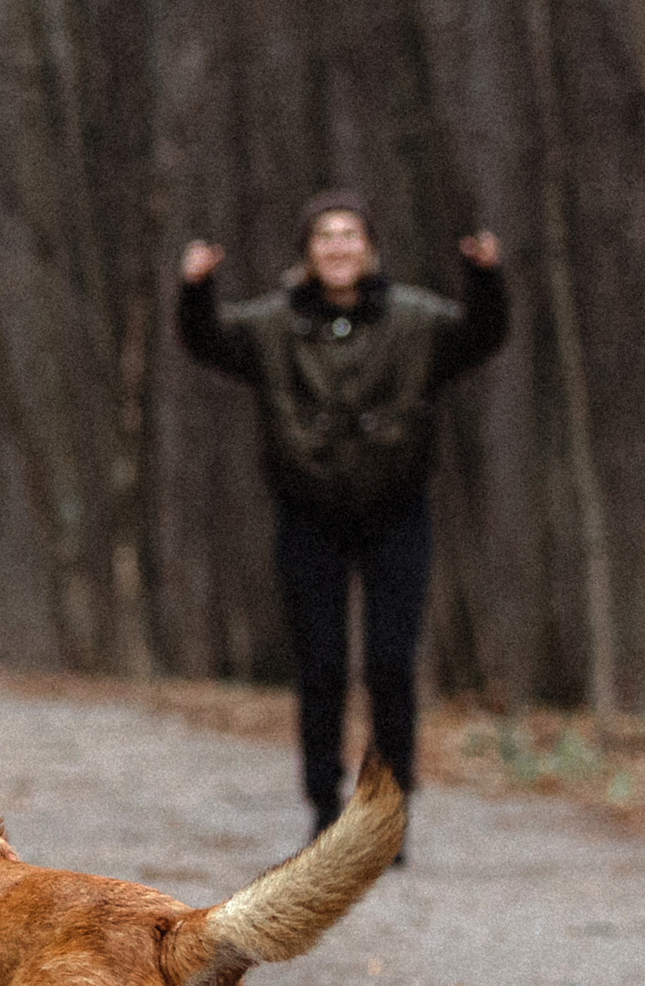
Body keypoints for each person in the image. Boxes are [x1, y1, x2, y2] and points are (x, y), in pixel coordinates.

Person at [176, 191, 504, 850]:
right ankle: (326, 810)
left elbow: (479, 337)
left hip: (397, 510)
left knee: (391, 666)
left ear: (370, 247)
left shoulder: (414, 319)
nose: (338, 247)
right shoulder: (274, 324)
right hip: (308, 514)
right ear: (307, 252)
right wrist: (195, 290)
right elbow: (208, 341)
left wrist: (486, 279)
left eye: (350, 234)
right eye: (325, 236)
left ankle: (386, 812)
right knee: (321, 666)